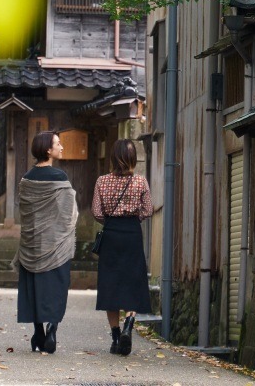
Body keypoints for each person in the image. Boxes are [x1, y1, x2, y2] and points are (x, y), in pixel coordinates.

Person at [14, 131, 78, 354]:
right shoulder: (59, 177)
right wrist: (63, 232)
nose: (61, 147)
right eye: (58, 144)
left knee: (34, 287)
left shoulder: (26, 179)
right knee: (56, 286)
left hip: (32, 243)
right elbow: (69, 212)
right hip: (56, 244)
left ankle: (38, 332)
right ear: (48, 150)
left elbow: (24, 212)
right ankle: (52, 328)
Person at [91, 139, 153, 356]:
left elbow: (96, 212)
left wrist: (111, 220)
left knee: (111, 284)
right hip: (132, 234)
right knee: (132, 282)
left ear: (113, 158)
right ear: (132, 158)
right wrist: (133, 218)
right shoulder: (140, 181)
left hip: (111, 234)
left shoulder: (102, 181)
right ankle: (128, 324)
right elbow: (148, 210)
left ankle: (116, 337)